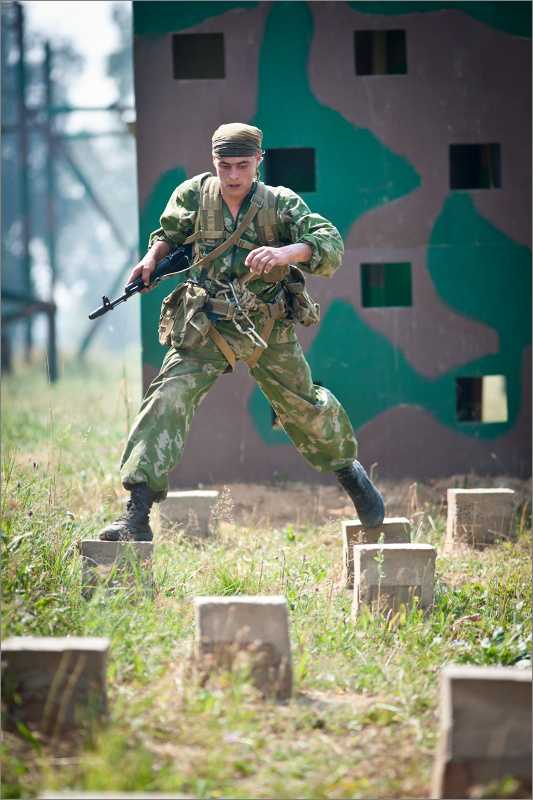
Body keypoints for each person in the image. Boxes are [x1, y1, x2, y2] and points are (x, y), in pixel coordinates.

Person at [99, 123, 384, 541]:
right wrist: (149, 260)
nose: (232, 176)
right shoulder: (194, 195)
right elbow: (168, 234)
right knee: (166, 398)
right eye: (224, 165)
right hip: (207, 324)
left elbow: (329, 243)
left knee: (304, 406)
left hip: (267, 325)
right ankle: (136, 513)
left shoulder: (279, 203)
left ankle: (349, 471)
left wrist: (285, 252)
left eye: (242, 166)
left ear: (259, 161)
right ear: (213, 162)